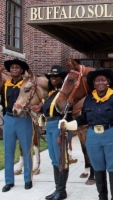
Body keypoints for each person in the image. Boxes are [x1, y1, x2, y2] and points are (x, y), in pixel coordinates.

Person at [58, 68, 113, 200]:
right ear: (94, 83)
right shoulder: (89, 99)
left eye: (103, 80)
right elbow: (83, 119)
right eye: (97, 80)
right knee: (97, 166)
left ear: (108, 82)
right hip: (93, 137)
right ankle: (102, 196)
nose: (100, 82)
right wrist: (68, 125)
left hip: (110, 135)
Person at [30, 65, 71, 200]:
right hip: (50, 125)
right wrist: (41, 109)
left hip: (60, 126)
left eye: (56, 76)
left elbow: (66, 110)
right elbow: (50, 110)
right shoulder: (51, 93)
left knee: (61, 159)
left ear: (61, 78)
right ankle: (57, 189)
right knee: (54, 159)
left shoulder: (65, 92)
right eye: (51, 76)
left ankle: (62, 191)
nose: (53, 78)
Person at [1, 58, 33, 192]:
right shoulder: (5, 85)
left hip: (23, 119)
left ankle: (28, 179)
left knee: (26, 150)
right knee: (8, 151)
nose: (14, 69)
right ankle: (9, 181)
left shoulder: (26, 84)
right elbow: (3, 102)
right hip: (8, 119)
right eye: (12, 67)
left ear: (21, 70)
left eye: (17, 68)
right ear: (10, 70)